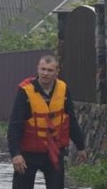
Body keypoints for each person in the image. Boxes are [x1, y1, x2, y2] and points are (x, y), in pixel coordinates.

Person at [7, 54, 87, 189]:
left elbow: (71, 120)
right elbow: (15, 125)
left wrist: (81, 146)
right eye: (43, 69)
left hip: (54, 152)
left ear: (57, 72)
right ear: (37, 69)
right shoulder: (25, 91)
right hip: (28, 154)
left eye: (50, 70)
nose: (45, 73)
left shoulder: (63, 90)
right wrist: (15, 154)